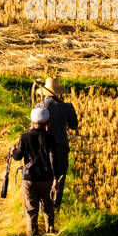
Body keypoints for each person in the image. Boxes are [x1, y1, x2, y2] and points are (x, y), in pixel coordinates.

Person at [10, 105, 59, 236]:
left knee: (31, 210)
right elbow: (53, 158)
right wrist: (55, 178)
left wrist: (13, 149)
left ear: (32, 121)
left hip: (29, 178)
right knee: (48, 207)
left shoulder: (25, 137)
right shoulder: (50, 137)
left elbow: (17, 157)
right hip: (46, 178)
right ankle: (51, 233)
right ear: (47, 122)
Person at [33, 75, 78, 213]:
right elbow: (74, 126)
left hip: (43, 146)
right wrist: (69, 111)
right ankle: (55, 207)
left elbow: (33, 128)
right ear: (58, 92)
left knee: (44, 177)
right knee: (59, 176)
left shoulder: (39, 106)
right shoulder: (66, 107)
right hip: (60, 146)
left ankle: (43, 208)